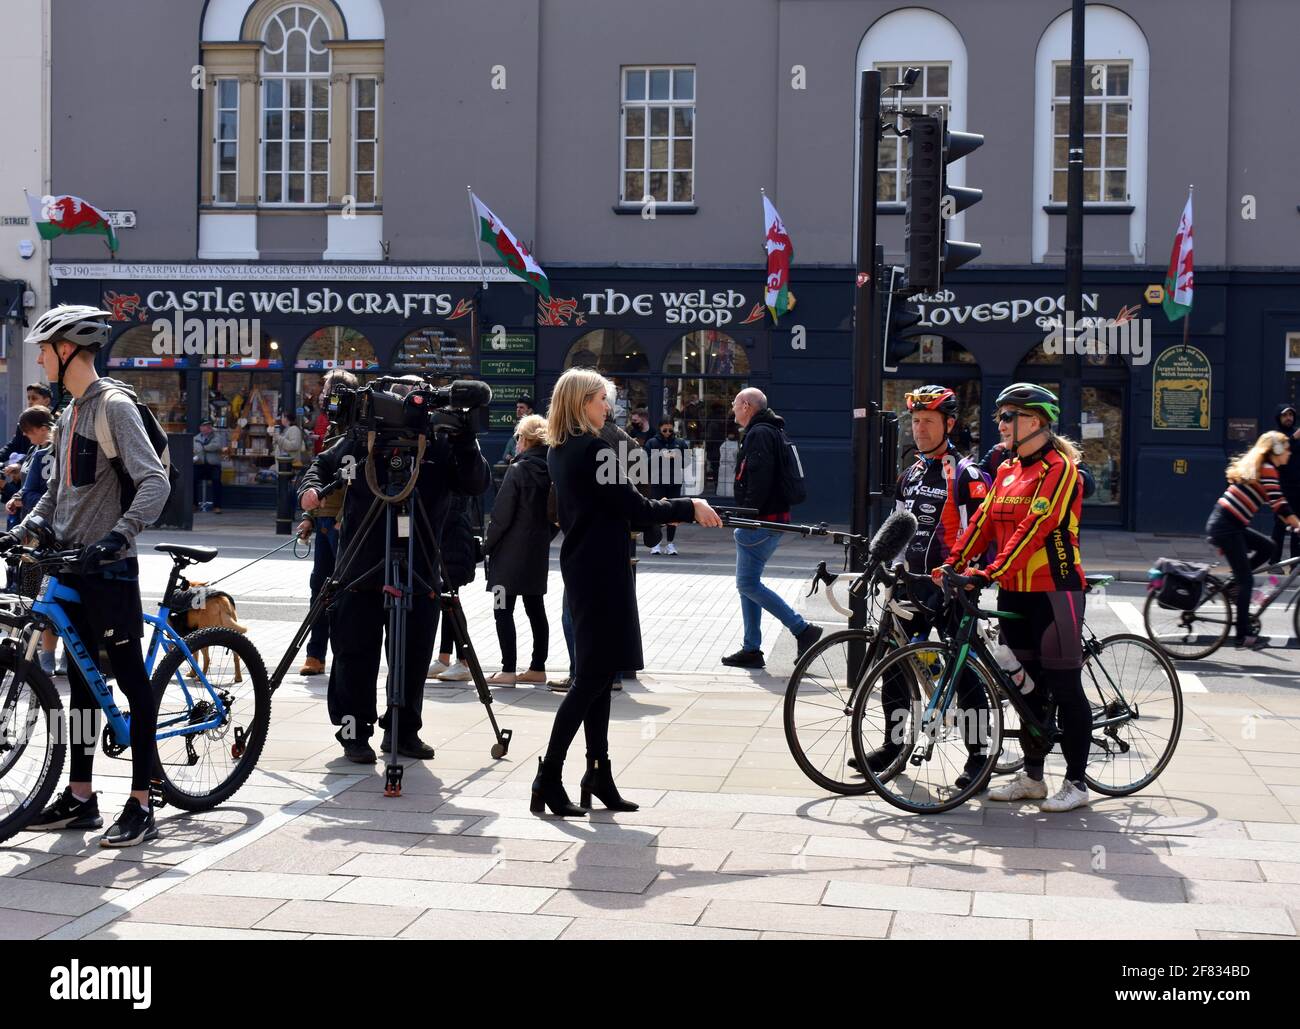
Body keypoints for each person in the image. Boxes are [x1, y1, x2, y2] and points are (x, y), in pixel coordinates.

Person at [0, 305, 170, 846]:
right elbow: (57, 493)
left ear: (69, 349)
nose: (42, 357)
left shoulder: (113, 406)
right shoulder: (69, 412)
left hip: (109, 568)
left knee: (129, 680)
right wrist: (24, 531)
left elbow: (155, 482)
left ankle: (142, 800)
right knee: (80, 687)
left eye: (46, 348)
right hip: (70, 568)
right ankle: (80, 796)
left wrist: (119, 536)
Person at [533, 368, 722, 817]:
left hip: (588, 566)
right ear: (582, 403)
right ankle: (549, 775)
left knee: (599, 678)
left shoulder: (561, 449)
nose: (609, 407)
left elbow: (617, 506)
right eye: (602, 399)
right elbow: (634, 508)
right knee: (592, 680)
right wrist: (689, 506)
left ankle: (598, 772)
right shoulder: (593, 448)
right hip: (600, 570)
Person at [298, 376, 490, 763]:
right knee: (354, 649)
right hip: (361, 561)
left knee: (415, 650)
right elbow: (324, 464)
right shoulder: (366, 437)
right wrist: (312, 487)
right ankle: (354, 730)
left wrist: (466, 439)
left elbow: (475, 483)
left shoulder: (439, 440)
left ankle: (403, 731)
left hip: (419, 562)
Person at [942, 382, 1093, 813]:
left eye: (1009, 416)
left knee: (1064, 686)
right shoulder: (1007, 469)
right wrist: (955, 563)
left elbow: (1034, 528)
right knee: (1027, 690)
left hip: (1054, 589)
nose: (1001, 424)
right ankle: (1032, 778)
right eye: (1000, 417)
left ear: (1037, 421)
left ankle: (1078, 783)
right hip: (1015, 592)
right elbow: (983, 524)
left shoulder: (1058, 469)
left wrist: (988, 571)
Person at [851, 386, 991, 785]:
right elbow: (898, 528)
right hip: (910, 585)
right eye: (915, 421)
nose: (920, 429)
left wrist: (961, 575)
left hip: (950, 586)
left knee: (960, 672)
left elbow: (978, 534)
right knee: (893, 668)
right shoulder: (909, 473)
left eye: (929, 421)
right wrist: (889, 567)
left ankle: (979, 756)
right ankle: (895, 745)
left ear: (949, 424)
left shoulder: (966, 475)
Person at [720, 387, 821, 669]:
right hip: (770, 519)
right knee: (747, 585)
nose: (732, 410)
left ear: (747, 405)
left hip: (761, 521)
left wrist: (748, 515)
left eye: (734, 404)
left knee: (747, 583)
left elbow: (759, 477)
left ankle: (802, 629)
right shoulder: (771, 430)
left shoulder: (759, 433)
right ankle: (752, 648)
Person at [1207, 430, 1300, 649]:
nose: (1289, 453)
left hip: (1231, 526)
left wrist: (1292, 523)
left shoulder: (1266, 468)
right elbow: (1279, 504)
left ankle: (1232, 584)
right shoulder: (1267, 468)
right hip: (1227, 527)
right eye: (1286, 448)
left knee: (1268, 547)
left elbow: (1278, 505)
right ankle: (1243, 635)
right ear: (1276, 450)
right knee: (1247, 581)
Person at [294, 369, 356, 676]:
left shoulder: (356, 430)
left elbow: (357, 481)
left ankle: (342, 656)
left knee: (343, 593)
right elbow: (323, 475)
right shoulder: (332, 428)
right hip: (324, 520)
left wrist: (345, 517)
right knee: (319, 588)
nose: (321, 396)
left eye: (327, 390)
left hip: (341, 523)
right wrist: (309, 516)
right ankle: (315, 656)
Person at [484, 414, 553, 686]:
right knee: (535, 608)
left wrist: (487, 546)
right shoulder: (552, 471)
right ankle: (538, 667)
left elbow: (501, 517)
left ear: (525, 439)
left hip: (509, 554)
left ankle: (508, 669)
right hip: (536, 552)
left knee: (502, 609)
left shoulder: (518, 470)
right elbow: (556, 514)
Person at [5, 405, 59, 674]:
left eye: (28, 433)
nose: (27, 437)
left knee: (40, 596)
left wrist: (23, 498)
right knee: (45, 597)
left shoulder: (43, 454)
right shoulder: (42, 451)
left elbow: (37, 494)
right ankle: (46, 654)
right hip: (46, 533)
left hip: (40, 535)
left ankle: (44, 655)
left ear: (41, 429)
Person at [426, 493, 481, 682]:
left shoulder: (451, 497)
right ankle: (444, 658)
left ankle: (464, 662)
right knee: (448, 603)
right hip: (452, 551)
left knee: (452, 605)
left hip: (454, 553)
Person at [643, 418, 690, 555]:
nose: (668, 433)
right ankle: (655, 543)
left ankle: (670, 543)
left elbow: (687, 462)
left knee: (673, 512)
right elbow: (645, 462)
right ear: (659, 428)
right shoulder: (652, 442)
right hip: (657, 482)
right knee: (657, 511)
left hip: (674, 482)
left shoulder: (680, 443)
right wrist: (659, 455)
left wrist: (677, 457)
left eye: (670, 430)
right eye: (665, 430)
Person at [1270, 405, 1300, 561]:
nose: (1289, 418)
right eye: (1285, 415)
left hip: (1298, 487)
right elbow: (1278, 453)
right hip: (1282, 488)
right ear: (1279, 418)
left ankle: (1295, 562)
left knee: (1297, 526)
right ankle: (1274, 562)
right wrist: (1294, 438)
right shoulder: (1275, 436)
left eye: (1291, 415)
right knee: (1280, 526)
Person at [2, 382, 54, 461]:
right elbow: (14, 445)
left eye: (34, 398)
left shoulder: (55, 422)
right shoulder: (24, 421)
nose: (30, 401)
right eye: (28, 398)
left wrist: (20, 463)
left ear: (46, 401)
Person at [192, 418, 225, 512]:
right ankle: (194, 504)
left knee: (216, 481)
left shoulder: (216, 437)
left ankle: (217, 506)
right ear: (201, 428)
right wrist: (203, 449)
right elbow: (195, 450)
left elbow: (217, 446)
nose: (208, 427)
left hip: (213, 465)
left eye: (209, 425)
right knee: (192, 480)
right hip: (200, 464)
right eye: (206, 425)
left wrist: (204, 448)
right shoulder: (196, 439)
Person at [499, 396, 536, 466]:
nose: (518, 410)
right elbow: (506, 455)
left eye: (521, 407)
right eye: (517, 407)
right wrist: (508, 457)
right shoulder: (517, 428)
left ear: (529, 410)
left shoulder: (535, 428)